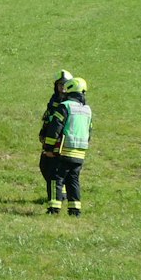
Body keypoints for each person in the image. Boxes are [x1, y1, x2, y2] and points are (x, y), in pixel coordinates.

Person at [47, 75, 91, 215]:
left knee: (56, 177)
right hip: (80, 152)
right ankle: (75, 209)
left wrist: (48, 147)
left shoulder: (65, 106)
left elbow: (55, 128)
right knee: (73, 180)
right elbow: (89, 131)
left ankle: (54, 208)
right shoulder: (87, 110)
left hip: (64, 149)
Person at [39, 70, 73, 212]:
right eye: (59, 84)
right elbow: (49, 117)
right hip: (50, 137)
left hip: (61, 140)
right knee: (44, 165)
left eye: (64, 84)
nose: (62, 87)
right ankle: (61, 193)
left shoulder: (70, 102)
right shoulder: (54, 100)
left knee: (55, 170)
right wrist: (43, 132)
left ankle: (59, 196)